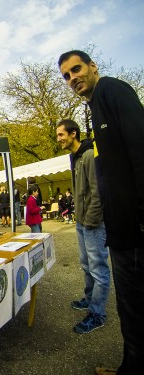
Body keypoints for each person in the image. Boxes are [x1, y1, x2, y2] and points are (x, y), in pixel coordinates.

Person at [59, 49, 144, 375]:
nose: (72, 78)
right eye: (66, 76)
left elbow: (140, 146)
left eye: (76, 69)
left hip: (132, 228)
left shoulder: (112, 90)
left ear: (93, 67)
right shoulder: (93, 107)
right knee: (131, 307)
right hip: (121, 227)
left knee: (134, 308)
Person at [57, 119, 110, 334]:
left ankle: (98, 314)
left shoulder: (88, 155)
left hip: (93, 223)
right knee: (86, 263)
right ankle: (89, 300)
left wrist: (90, 221)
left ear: (73, 134)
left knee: (98, 268)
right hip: (82, 222)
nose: (58, 139)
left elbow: (98, 192)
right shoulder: (75, 157)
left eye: (61, 135)